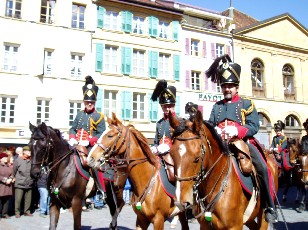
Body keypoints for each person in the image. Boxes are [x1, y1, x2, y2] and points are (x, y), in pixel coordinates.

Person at [206, 54, 278, 223]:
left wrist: (237, 130)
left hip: (242, 144)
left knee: (262, 166)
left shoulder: (246, 104)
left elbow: (254, 126)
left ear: (236, 87)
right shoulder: (216, 106)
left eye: (230, 86)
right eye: (224, 86)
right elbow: (210, 125)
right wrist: (214, 130)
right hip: (220, 146)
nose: (227, 89)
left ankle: (269, 205)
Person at [150, 79, 180, 229]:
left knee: (173, 173)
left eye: (169, 106)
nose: (167, 109)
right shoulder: (160, 123)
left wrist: (168, 147)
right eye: (164, 106)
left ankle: (179, 201)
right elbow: (156, 140)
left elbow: (181, 143)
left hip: (173, 155)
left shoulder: (179, 121)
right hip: (159, 154)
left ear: (174, 105)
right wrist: (155, 147)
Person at [69, 75, 106, 149]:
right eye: (87, 102)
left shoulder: (99, 116)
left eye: (92, 102)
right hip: (76, 144)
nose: (89, 104)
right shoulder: (80, 114)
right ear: (84, 102)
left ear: (94, 103)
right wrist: (72, 137)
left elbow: (101, 133)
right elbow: (73, 128)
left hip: (90, 146)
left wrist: (89, 141)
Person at [13, 146, 34, 218]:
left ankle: (27, 211)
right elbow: (14, 171)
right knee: (18, 199)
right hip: (20, 183)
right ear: (24, 152)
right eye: (29, 151)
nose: (30, 153)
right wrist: (14, 178)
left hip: (29, 182)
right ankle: (17, 212)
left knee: (28, 199)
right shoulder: (18, 160)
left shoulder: (31, 160)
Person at [0, 152, 14, 220]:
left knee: (6, 200)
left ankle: (4, 213)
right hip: (1, 186)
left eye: (6, 157)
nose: (6, 159)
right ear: (0, 159)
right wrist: (5, 180)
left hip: (8, 186)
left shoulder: (8, 166)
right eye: (4, 157)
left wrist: (11, 178)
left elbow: (12, 174)